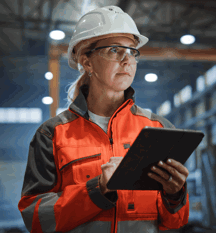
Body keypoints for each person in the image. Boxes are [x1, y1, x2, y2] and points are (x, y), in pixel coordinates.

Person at [18, 5, 189, 233]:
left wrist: (175, 194)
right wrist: (97, 190)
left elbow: (175, 222)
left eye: (132, 52)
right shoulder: (53, 134)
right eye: (114, 50)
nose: (127, 60)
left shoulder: (158, 128)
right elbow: (35, 219)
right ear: (87, 62)